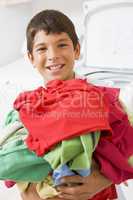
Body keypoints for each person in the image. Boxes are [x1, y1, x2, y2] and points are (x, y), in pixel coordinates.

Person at [3, 9, 133, 200]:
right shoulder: (26, 107)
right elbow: (17, 168)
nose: (53, 55)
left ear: (77, 50)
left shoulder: (104, 99)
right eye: (42, 48)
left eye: (62, 45)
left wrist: (102, 179)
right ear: (31, 58)